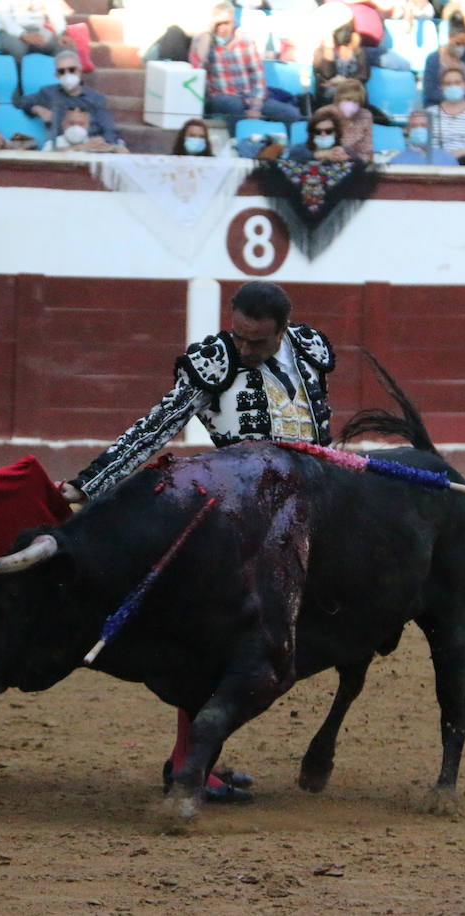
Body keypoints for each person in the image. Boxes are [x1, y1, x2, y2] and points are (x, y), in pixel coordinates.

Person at [60, 281, 335, 804]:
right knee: (225, 638)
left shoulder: (312, 350)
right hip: (246, 513)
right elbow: (157, 426)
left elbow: (317, 428)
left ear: (282, 329)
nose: (246, 350)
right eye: (239, 336)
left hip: (313, 506)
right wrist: (88, 484)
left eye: (258, 342)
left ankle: (199, 758)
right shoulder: (214, 361)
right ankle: (190, 763)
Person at [189, 2, 300, 131]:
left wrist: (255, 107)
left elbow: (258, 77)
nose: (222, 27)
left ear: (233, 22)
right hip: (220, 97)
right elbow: (199, 66)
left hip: (248, 97)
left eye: (226, 23)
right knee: (234, 107)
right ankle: (237, 144)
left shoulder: (245, 41)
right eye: (218, 24)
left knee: (291, 114)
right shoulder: (203, 40)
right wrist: (209, 33)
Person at [15, 48, 121, 147]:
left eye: (71, 70)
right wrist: (37, 109)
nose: (67, 74)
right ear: (57, 75)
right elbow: (20, 101)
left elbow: (109, 130)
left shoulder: (96, 98)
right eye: (62, 71)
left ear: (79, 71)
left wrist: (104, 143)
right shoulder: (48, 93)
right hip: (61, 148)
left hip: (90, 146)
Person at [427, 64, 465, 163]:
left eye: (457, 82)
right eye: (448, 83)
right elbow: (426, 145)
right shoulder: (430, 113)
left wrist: (458, 153)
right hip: (437, 163)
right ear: (441, 87)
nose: (453, 86)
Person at [422, 13, 465, 106]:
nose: (462, 47)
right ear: (448, 38)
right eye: (458, 43)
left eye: (464, 44)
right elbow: (430, 91)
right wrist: (456, 101)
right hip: (439, 105)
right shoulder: (433, 59)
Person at [311, 8, 369, 107]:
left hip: (355, 97)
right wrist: (329, 48)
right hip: (330, 101)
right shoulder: (321, 51)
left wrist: (344, 81)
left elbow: (363, 75)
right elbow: (327, 75)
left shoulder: (358, 51)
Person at [0, 0, 73, 63]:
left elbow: (54, 11)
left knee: (65, 46)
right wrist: (23, 35)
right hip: (10, 32)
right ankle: (20, 82)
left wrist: (62, 32)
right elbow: (4, 19)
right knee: (17, 48)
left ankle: (65, 80)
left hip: (37, 31)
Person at [287, 104, 362, 162]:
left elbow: (360, 164)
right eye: (318, 132)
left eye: (328, 131)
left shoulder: (343, 151)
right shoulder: (302, 149)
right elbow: (291, 157)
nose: (323, 135)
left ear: (336, 133)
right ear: (312, 133)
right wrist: (319, 155)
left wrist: (347, 159)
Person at [390, 108, 460, 164]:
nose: (419, 129)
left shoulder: (447, 159)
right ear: (408, 131)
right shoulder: (397, 161)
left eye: (424, 125)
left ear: (432, 130)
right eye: (414, 126)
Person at [43, 105, 125, 151]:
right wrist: (81, 148)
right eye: (71, 123)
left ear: (88, 126)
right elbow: (47, 157)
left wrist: (113, 149)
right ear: (63, 124)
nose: (76, 128)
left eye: (81, 124)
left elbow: (125, 154)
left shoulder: (95, 143)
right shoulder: (52, 144)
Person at [330, 76, 374, 161]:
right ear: (338, 99)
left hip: (354, 164)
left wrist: (350, 158)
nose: (351, 105)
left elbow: (367, 152)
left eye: (356, 101)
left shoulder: (365, 116)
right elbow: (314, 150)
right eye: (347, 99)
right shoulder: (325, 113)